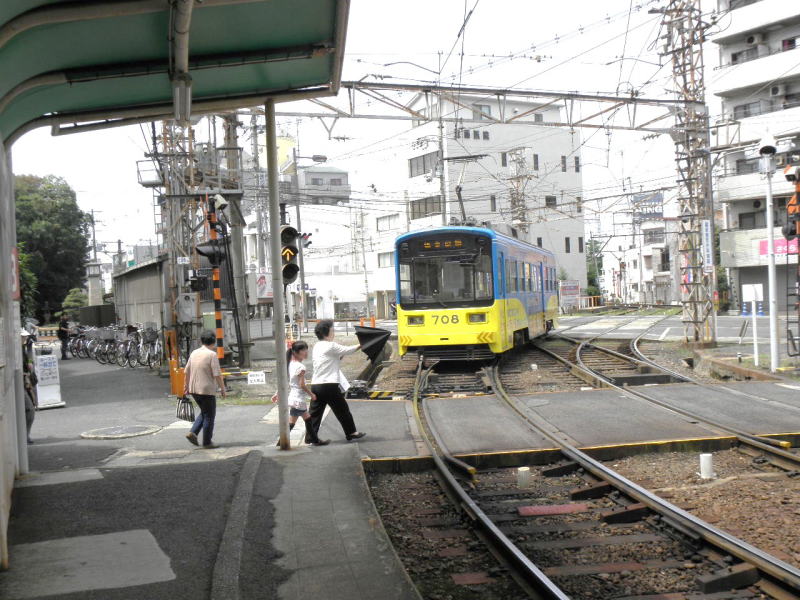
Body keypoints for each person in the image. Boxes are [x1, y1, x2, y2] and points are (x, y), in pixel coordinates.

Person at [309, 319, 366, 441]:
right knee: (342, 409)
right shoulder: (331, 345)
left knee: (315, 413)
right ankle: (351, 432)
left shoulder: (317, 346)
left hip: (316, 384)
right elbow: (348, 350)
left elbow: (333, 358)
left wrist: (339, 355)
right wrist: (362, 344)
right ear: (327, 332)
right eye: (332, 329)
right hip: (328, 385)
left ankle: (310, 437)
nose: (333, 331)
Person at [271, 341, 329, 447]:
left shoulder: (289, 365)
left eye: (306, 349)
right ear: (296, 352)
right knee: (298, 421)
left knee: (305, 419)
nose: (306, 352)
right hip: (298, 399)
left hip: (294, 398)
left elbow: (285, 381)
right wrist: (311, 394)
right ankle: (281, 444)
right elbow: (301, 385)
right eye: (303, 350)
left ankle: (314, 440)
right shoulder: (300, 367)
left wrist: (277, 393)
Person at [183, 330, 226, 449]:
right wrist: (223, 389)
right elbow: (217, 374)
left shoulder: (194, 353)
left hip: (193, 389)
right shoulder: (211, 355)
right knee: (209, 415)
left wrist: (186, 386)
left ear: (201, 341)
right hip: (206, 390)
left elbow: (186, 371)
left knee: (205, 412)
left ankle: (193, 433)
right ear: (214, 341)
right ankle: (207, 442)